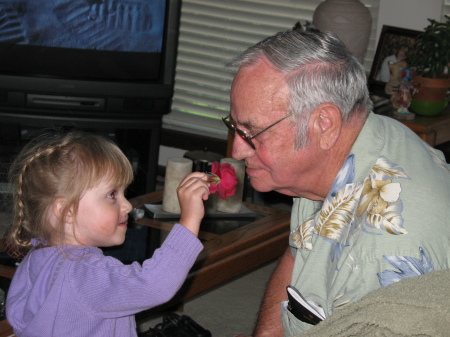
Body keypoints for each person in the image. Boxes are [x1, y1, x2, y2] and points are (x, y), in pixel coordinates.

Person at [223, 23, 450, 336]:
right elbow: (300, 249)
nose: (236, 150)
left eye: (251, 132)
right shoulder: (359, 136)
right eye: (233, 126)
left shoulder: (382, 256)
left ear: (324, 124)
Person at [5, 131, 210, 336]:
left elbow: (19, 319)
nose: (128, 205)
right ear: (67, 211)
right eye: (112, 194)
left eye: (123, 193)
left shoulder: (35, 256)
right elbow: (153, 285)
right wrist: (189, 220)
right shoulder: (88, 273)